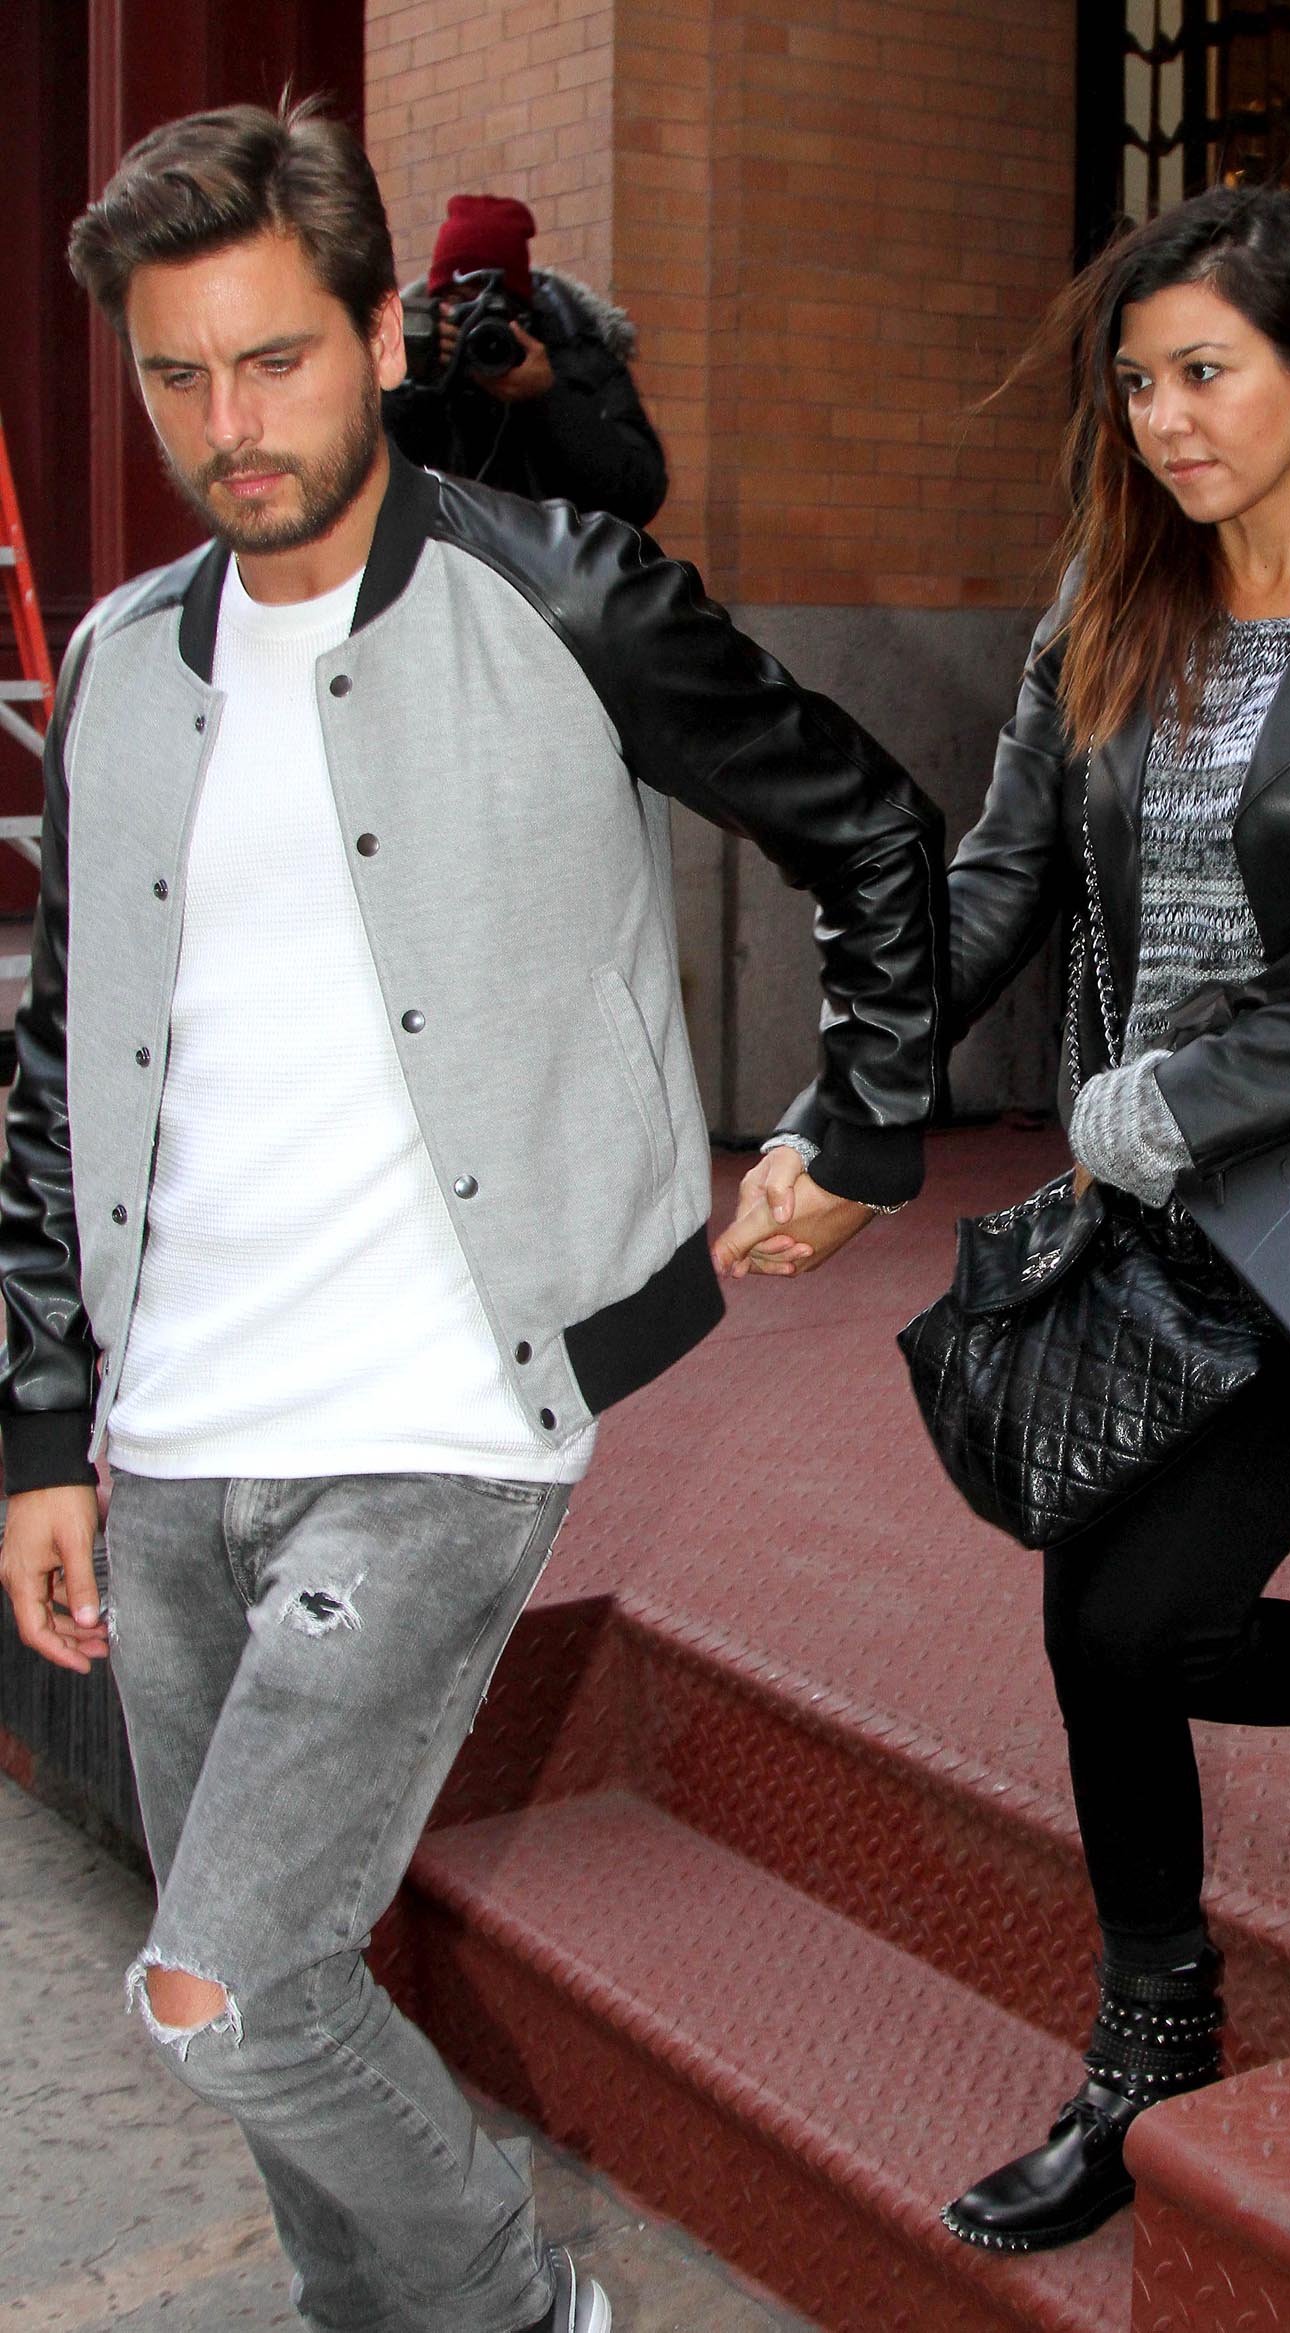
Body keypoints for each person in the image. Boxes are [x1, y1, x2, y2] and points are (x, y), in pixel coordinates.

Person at [0, 98, 942, 2333]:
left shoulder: (559, 589)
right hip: (178, 1437)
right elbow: (61, 1062)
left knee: (219, 1987)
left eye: (279, 361)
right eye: (177, 375)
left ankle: (524, 2316)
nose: (232, 427)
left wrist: (863, 1121)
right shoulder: (131, 657)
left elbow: (878, 832)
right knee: (283, 1968)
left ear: (375, 330)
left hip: (448, 1414)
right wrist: (43, 1413)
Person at [718, 186, 1290, 2254]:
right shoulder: (1110, 598)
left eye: (1211, 372)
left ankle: (1258, 1900)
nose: (1170, 420)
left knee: (1116, 1616)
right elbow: (996, 887)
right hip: (1147, 1219)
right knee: (1122, 1619)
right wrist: (853, 1109)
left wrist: (1182, 1092)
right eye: (1143, 379)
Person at [382, 192, 667, 526]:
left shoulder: (576, 352)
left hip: (546, 572)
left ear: (521, 311)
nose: (471, 319)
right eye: (455, 301)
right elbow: (359, 483)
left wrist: (550, 398)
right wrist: (406, 381)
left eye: (486, 305)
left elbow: (638, 496)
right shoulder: (409, 361)